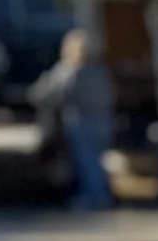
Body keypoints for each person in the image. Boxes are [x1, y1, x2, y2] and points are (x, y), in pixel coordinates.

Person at [31, 30, 113, 210]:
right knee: (96, 161)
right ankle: (99, 195)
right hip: (103, 122)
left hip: (81, 122)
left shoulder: (68, 71)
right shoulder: (100, 71)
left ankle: (95, 198)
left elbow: (45, 93)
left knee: (87, 163)